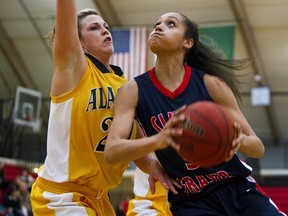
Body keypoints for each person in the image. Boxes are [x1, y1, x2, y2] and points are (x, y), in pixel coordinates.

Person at [105, 12, 286, 215]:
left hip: (237, 188)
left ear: (187, 42)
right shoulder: (133, 90)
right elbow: (112, 151)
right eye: (157, 24)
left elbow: (258, 148)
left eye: (170, 24)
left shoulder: (211, 84)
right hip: (190, 200)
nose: (158, 27)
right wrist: (159, 140)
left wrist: (237, 140)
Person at [29, 1, 174, 215]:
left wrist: (156, 167)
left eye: (105, 26)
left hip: (99, 200)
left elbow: (138, 148)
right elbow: (65, 18)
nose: (104, 30)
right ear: (78, 40)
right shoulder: (74, 69)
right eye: (94, 28)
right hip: (62, 197)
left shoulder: (125, 87)